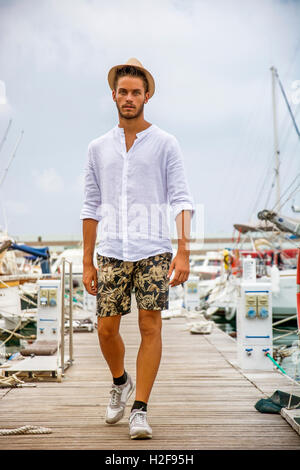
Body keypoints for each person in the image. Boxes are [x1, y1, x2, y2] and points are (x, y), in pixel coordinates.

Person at [80, 58, 194, 440]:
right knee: (106, 328)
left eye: (136, 92)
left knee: (150, 326)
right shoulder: (97, 147)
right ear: (114, 95)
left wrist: (184, 251)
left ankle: (140, 410)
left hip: (154, 250)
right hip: (111, 249)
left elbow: (181, 199)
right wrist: (86, 262)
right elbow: (90, 206)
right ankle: (120, 381)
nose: (129, 98)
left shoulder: (166, 143)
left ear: (147, 96)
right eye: (123, 92)